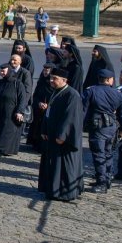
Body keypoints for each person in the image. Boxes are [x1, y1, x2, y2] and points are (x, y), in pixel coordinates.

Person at [38, 69, 84, 201]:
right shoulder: (56, 92)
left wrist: (62, 135)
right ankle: (52, 190)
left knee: (64, 166)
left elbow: (71, 117)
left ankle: (64, 193)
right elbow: (48, 113)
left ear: (64, 80)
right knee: (54, 165)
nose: (52, 81)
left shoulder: (72, 95)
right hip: (52, 135)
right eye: (51, 78)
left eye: (55, 78)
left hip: (63, 139)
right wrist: (44, 130)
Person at [82, 68, 122, 193]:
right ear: (109, 80)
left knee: (99, 154)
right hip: (112, 128)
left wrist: (78, 127)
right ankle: (106, 179)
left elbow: (83, 111)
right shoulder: (117, 93)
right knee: (108, 154)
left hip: (97, 128)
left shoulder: (91, 91)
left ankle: (102, 182)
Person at [0, 63, 29, 157]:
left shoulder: (17, 83)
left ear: (9, 71)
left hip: (11, 111)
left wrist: (20, 111)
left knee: (8, 131)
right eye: (1, 71)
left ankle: (3, 150)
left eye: (3, 71)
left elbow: (22, 99)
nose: (1, 73)